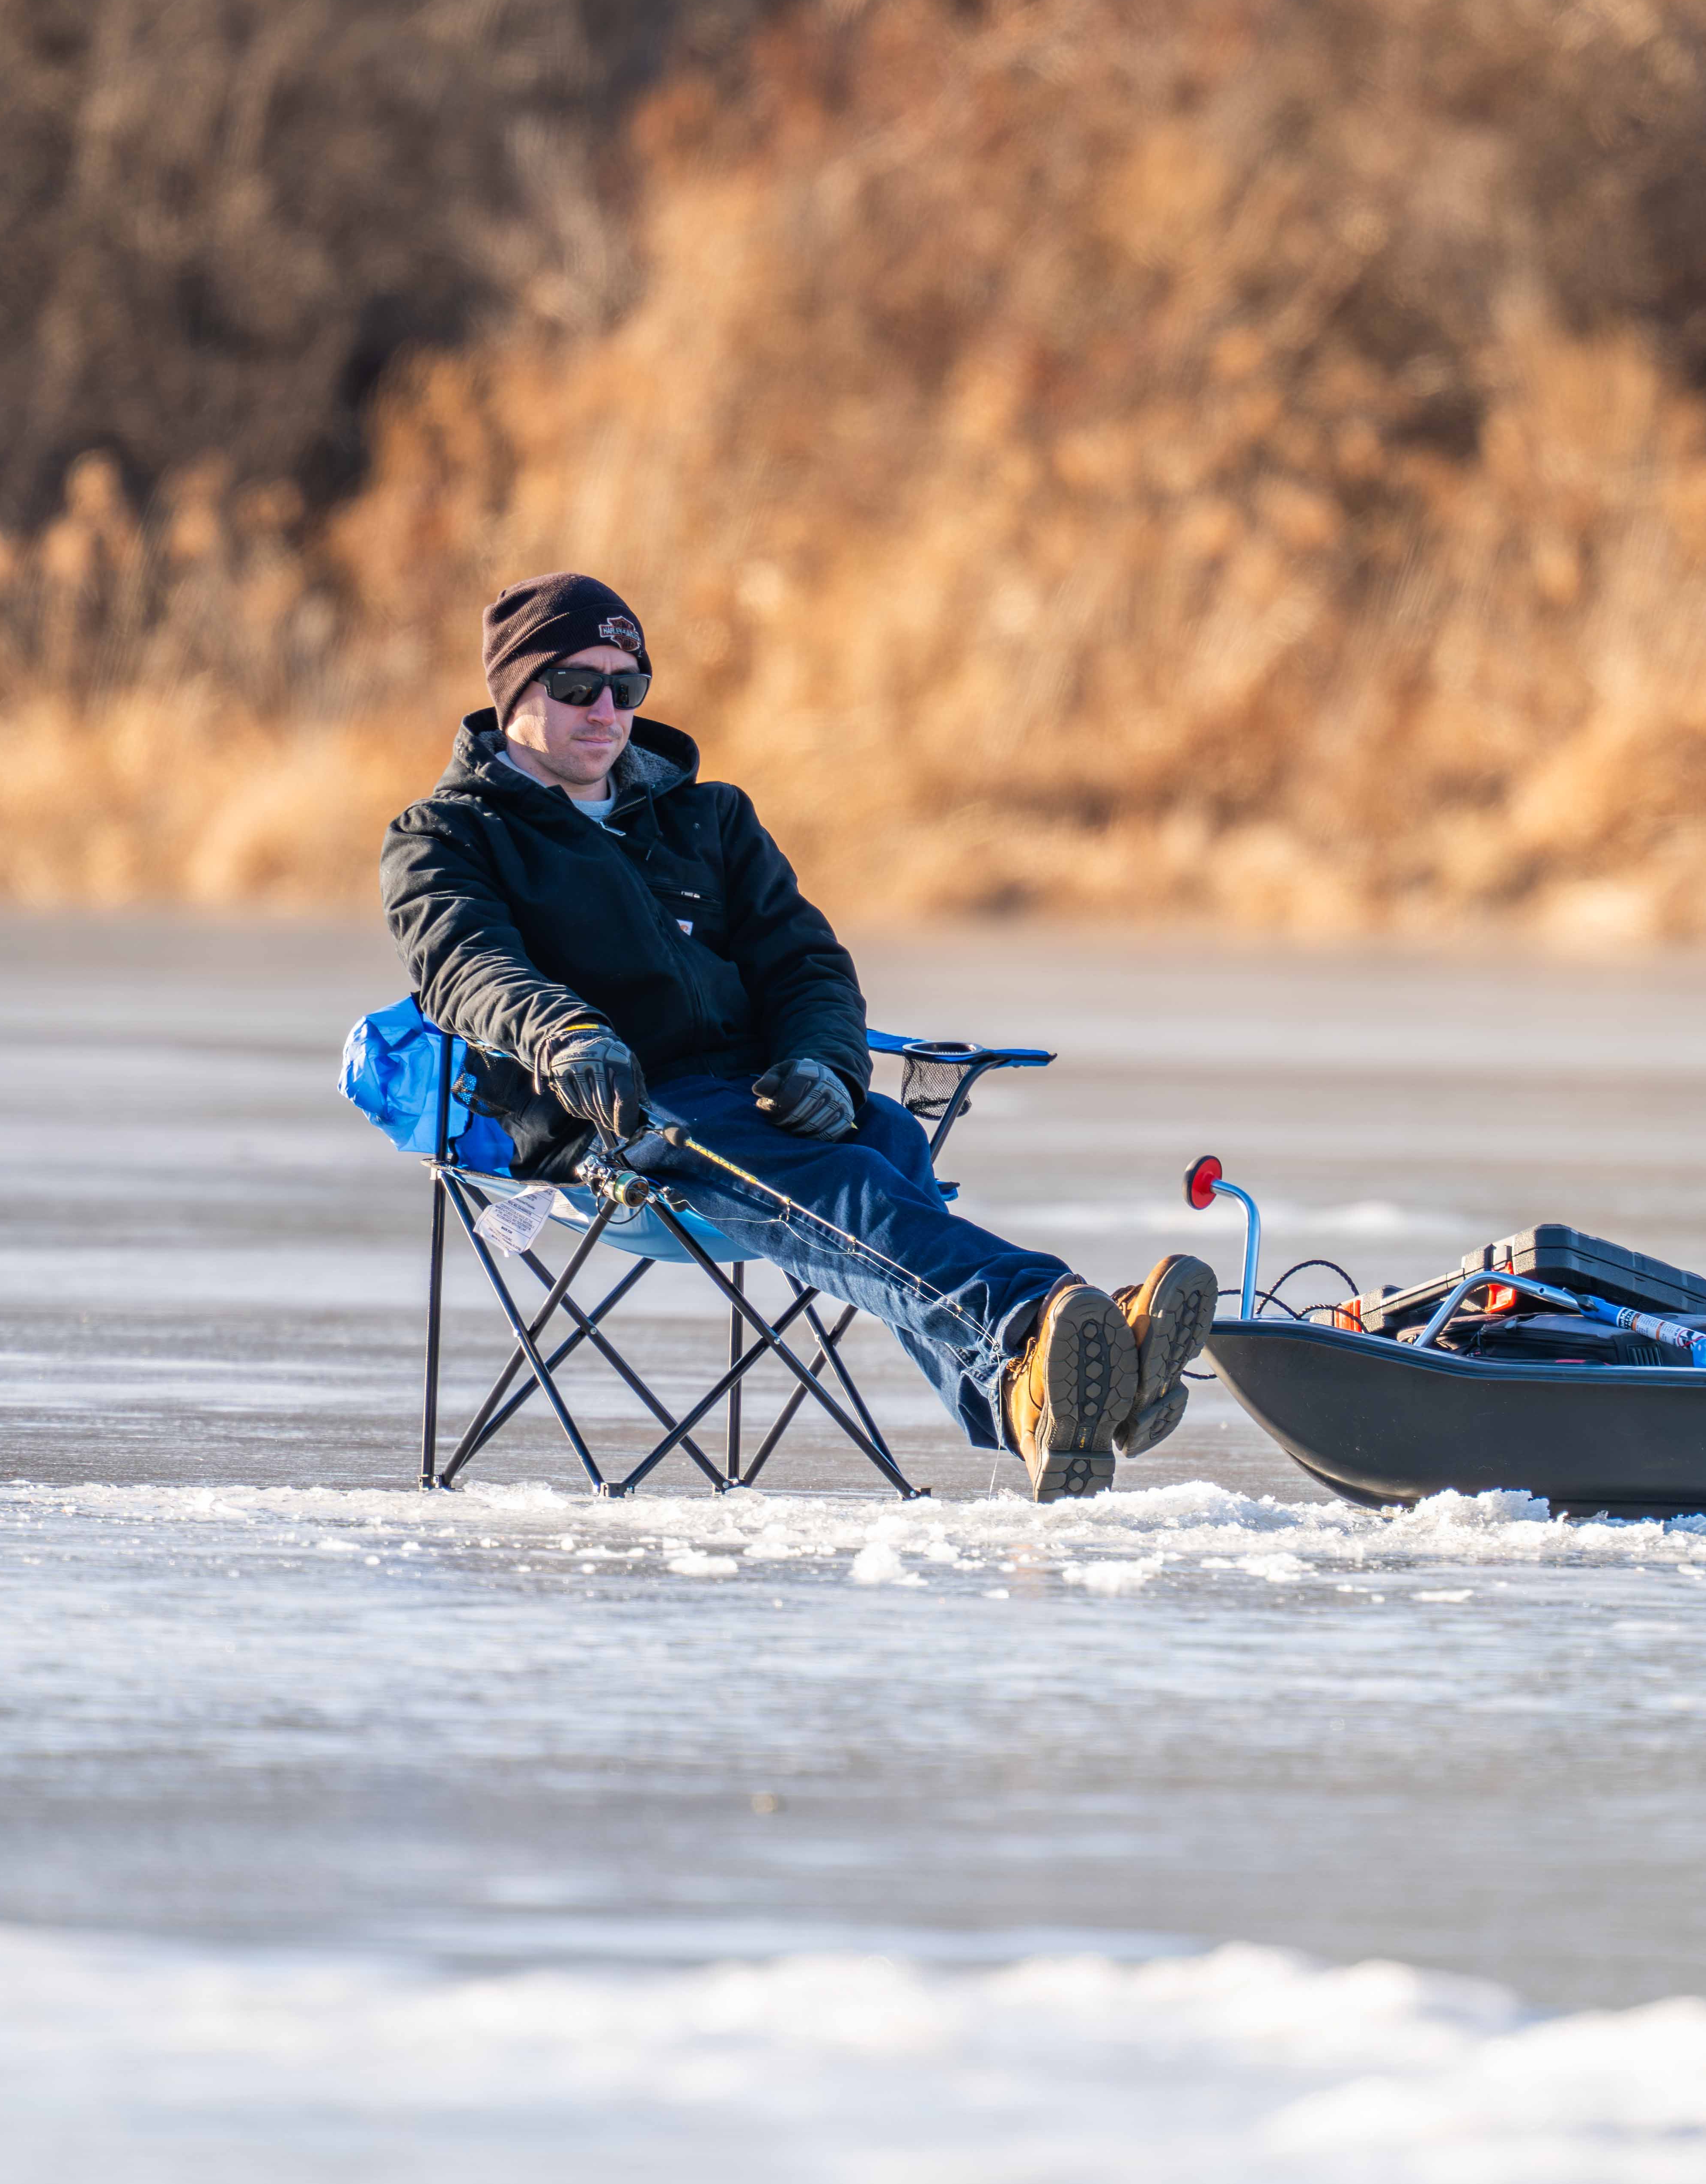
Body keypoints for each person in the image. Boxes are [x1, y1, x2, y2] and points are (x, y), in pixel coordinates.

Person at [381, 572, 1216, 1500]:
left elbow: (807, 965)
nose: (606, 709)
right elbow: (465, 968)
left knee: (887, 1138)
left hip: (750, 1090)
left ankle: (1031, 1398)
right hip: (608, 1117)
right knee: (838, 1180)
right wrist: (566, 1033)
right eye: (577, 685)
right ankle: (1034, 1323)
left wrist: (824, 1061)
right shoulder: (446, 835)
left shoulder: (712, 818)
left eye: (629, 684)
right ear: (514, 693)